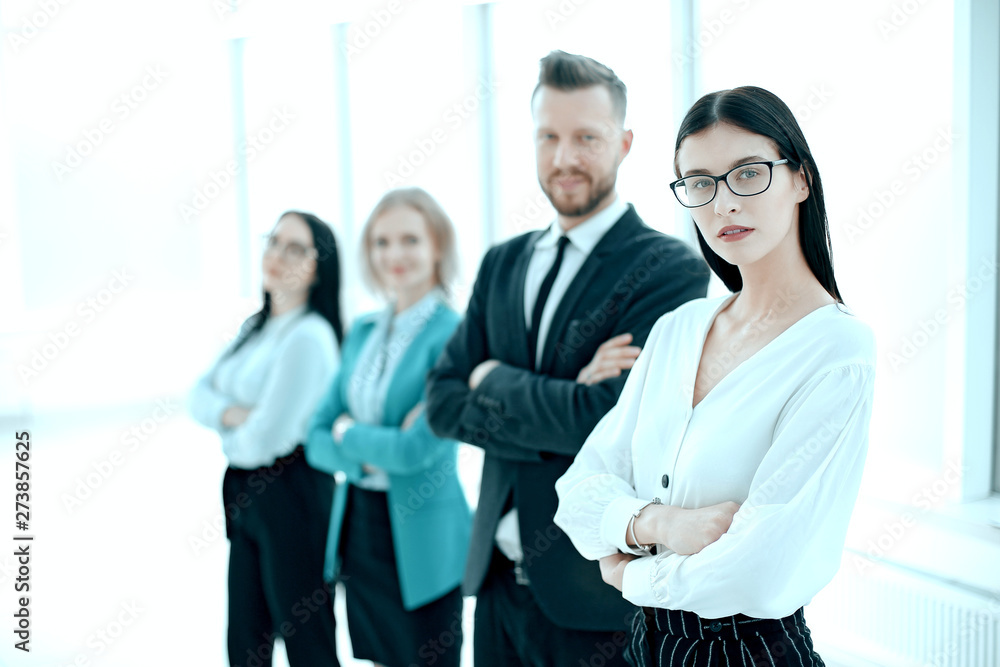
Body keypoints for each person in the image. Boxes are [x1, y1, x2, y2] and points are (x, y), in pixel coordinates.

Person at [554, 85, 877, 667]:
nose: (723, 203)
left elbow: (760, 569)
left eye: (748, 173)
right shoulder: (678, 329)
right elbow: (577, 492)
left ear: (800, 178)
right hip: (646, 646)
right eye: (699, 182)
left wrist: (629, 574)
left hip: (748, 651)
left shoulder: (837, 350)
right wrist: (658, 523)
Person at [425, 51, 710, 666]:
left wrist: (494, 378)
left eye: (587, 136)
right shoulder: (503, 262)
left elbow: (609, 422)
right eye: (548, 136)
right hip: (495, 587)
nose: (564, 158)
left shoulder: (668, 270)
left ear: (626, 142)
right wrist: (561, 398)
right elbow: (442, 403)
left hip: (593, 602)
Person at [305, 187, 470, 667]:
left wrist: (346, 434)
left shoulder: (454, 334)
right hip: (359, 527)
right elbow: (313, 437)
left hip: (424, 538)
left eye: (410, 240)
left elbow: (417, 451)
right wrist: (358, 440)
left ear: (437, 246)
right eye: (381, 242)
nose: (394, 254)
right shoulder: (361, 331)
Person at [189, 211, 344, 667]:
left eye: (295, 248)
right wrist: (234, 415)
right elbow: (198, 395)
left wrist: (230, 429)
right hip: (248, 496)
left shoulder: (309, 337)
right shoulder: (255, 327)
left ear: (320, 266)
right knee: (245, 637)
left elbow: (265, 439)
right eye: (273, 242)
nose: (277, 255)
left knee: (306, 642)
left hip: (292, 496)